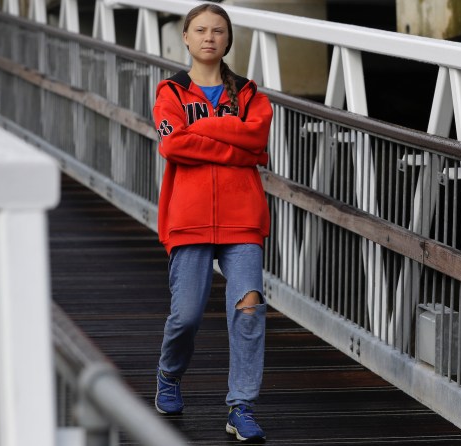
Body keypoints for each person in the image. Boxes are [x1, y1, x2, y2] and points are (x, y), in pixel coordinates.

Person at [151, 3, 273, 443]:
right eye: (199, 30)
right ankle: (169, 374)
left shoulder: (250, 95)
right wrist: (234, 142)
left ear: (227, 39)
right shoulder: (170, 93)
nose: (208, 37)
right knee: (185, 316)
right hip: (189, 218)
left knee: (249, 307)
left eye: (217, 30)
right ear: (185, 37)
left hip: (242, 219)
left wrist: (205, 135)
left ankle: (240, 406)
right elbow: (173, 146)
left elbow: (256, 138)